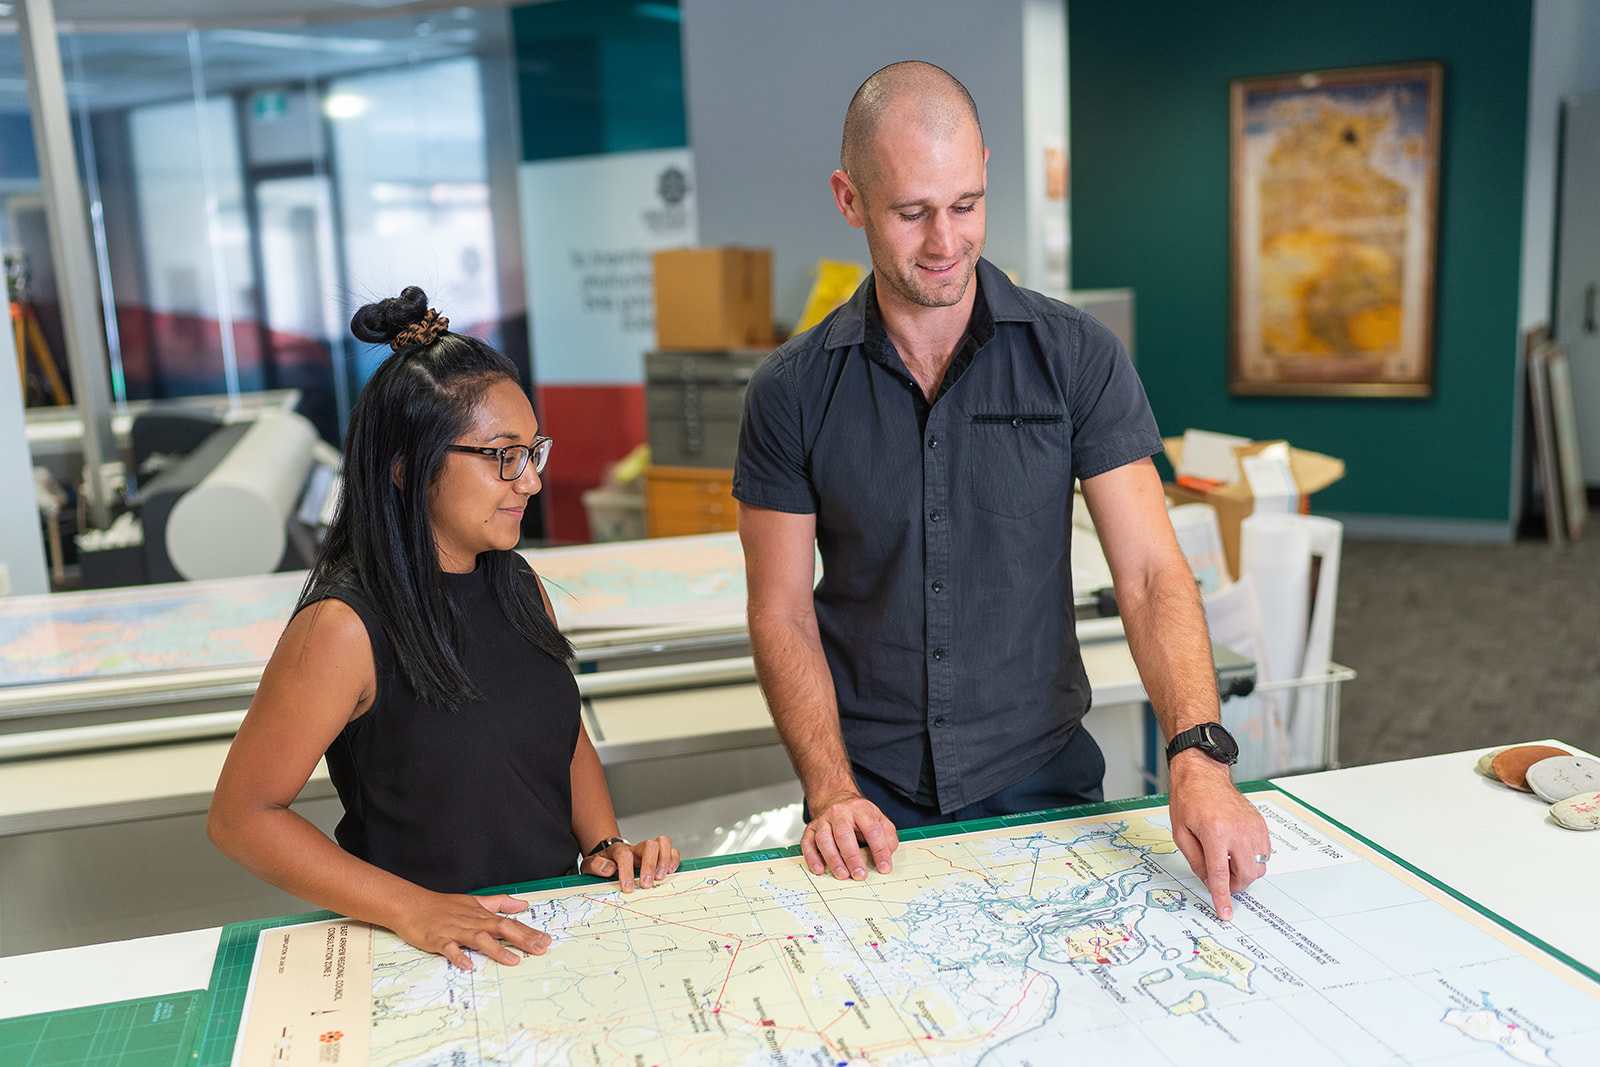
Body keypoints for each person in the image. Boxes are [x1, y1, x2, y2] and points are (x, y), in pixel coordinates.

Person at [733, 61, 1269, 921]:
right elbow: (783, 610)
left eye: (966, 203)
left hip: (1042, 779)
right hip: (868, 800)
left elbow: (1150, 575)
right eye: (912, 213)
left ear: (985, 169)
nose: (945, 242)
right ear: (850, 198)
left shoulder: (1077, 358)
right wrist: (829, 788)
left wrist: (1198, 753)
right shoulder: (791, 392)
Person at [209, 287, 679, 971]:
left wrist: (604, 847)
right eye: (501, 457)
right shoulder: (344, 628)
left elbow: (560, 730)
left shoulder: (518, 585)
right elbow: (242, 817)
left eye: (533, 451)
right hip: (426, 958)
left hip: (542, 930)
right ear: (407, 467)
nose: (530, 482)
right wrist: (411, 907)